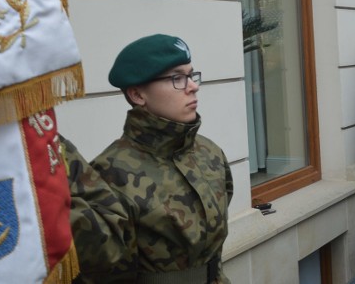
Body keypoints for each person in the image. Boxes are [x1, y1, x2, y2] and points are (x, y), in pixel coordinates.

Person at [61, 34, 233, 283]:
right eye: (177, 78)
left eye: (191, 75)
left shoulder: (210, 152)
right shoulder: (109, 172)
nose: (192, 86)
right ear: (138, 95)